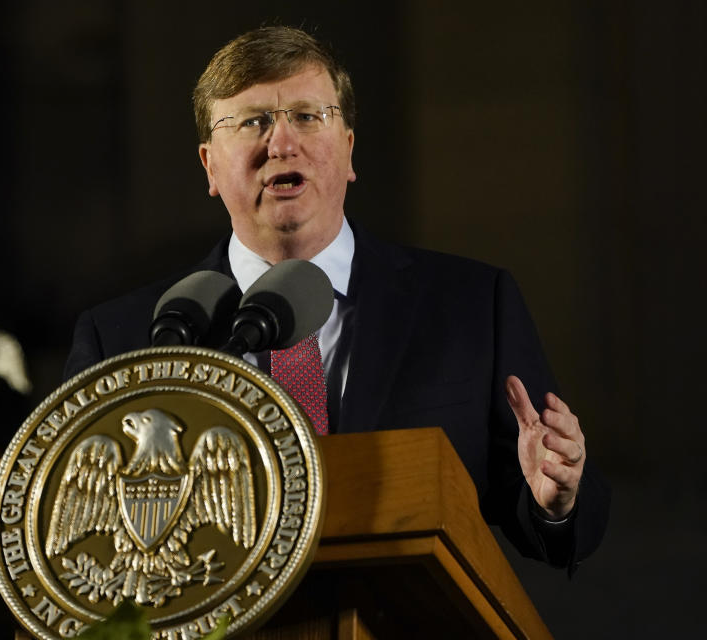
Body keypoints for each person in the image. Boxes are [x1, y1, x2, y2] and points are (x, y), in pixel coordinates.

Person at [63, 26, 609, 572]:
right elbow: (70, 538)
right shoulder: (125, 336)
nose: (280, 143)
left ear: (348, 149)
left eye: (306, 115)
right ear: (209, 164)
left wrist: (557, 498)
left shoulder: (471, 306)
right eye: (253, 122)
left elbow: (555, 529)